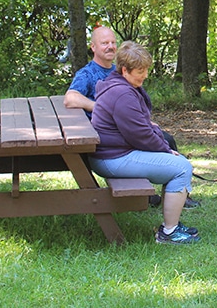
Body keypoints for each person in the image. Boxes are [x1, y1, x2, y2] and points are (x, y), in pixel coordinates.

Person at [65, 27, 199, 208]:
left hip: (121, 132)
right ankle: (165, 196)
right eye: (105, 43)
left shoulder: (117, 70)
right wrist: (103, 108)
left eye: (113, 42)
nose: (110, 47)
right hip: (108, 141)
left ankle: (176, 194)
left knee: (166, 139)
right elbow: (70, 98)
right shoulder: (87, 73)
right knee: (162, 145)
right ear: (93, 47)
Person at [89, 41, 201, 245]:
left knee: (178, 164)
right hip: (113, 158)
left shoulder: (119, 85)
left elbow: (141, 126)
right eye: (140, 71)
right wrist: (165, 149)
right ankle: (169, 233)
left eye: (146, 69)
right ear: (125, 70)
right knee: (182, 167)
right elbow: (140, 135)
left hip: (111, 154)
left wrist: (162, 144)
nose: (145, 75)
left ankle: (172, 225)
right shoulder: (122, 93)